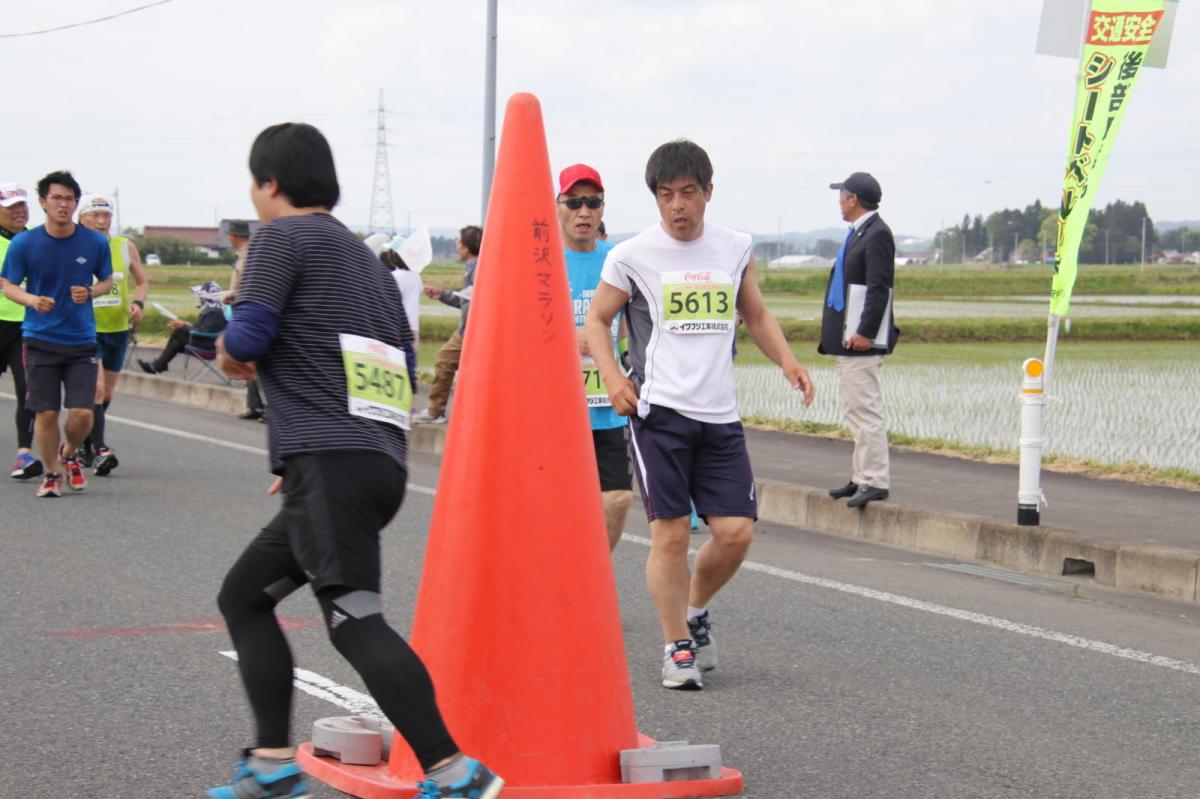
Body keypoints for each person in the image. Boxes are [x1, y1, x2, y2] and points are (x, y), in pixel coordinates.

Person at [208, 122, 502, 799]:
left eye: (254, 184)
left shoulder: (280, 237)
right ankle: (274, 763)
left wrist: (226, 353)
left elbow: (248, 337)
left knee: (353, 617)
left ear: (270, 183)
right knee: (243, 596)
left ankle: (455, 772)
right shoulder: (369, 260)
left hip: (330, 462)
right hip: (371, 459)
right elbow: (398, 360)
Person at [585, 140, 814, 690]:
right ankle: (676, 648)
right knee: (669, 535)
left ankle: (695, 609)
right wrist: (615, 380)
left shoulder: (735, 248)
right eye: (666, 196)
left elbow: (754, 312)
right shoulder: (632, 256)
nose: (677, 206)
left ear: (708, 192)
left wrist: (788, 361)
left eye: (688, 193)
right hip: (658, 412)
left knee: (736, 533)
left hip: (719, 416)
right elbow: (596, 321)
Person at [0, 171, 113, 497]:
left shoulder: (93, 242)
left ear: (76, 204)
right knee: (46, 413)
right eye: (56, 198)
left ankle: (68, 454)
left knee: (82, 412)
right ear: (43, 202)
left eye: (69, 199)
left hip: (80, 340)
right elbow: (7, 285)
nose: (63, 204)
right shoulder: (25, 242)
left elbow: (106, 280)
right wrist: (31, 299)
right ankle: (52, 474)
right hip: (39, 338)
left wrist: (91, 291)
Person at [557, 163, 632, 552]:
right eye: (574, 202)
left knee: (617, 498)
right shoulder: (541, 260)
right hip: (553, 407)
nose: (583, 211)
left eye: (592, 202)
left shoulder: (618, 259)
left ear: (602, 209)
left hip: (604, 401)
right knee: (556, 506)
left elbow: (639, 318)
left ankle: (591, 583)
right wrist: (568, 337)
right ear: (558, 206)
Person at [820, 172, 898, 509]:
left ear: (854, 199)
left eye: (842, 195)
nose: (839, 200)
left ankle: (874, 480)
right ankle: (860, 476)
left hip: (862, 340)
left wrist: (865, 332)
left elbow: (880, 287)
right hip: (848, 338)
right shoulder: (859, 233)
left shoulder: (877, 234)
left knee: (865, 410)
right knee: (855, 410)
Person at [77, 194, 149, 475]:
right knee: (94, 390)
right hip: (86, 328)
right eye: (95, 215)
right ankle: (99, 449)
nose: (101, 221)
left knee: (106, 393)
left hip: (117, 328)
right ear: (81, 219)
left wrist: (138, 303)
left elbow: (142, 282)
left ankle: (83, 441)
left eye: (106, 216)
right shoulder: (73, 247)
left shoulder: (124, 246)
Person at [412, 225, 481, 423]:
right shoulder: (473, 266)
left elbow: (476, 298)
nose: (456, 245)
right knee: (448, 362)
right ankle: (438, 411)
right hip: (465, 330)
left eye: (458, 242)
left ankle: (437, 411)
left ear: (466, 247)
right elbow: (465, 300)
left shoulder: (477, 266)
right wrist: (442, 294)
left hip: (473, 331)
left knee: (448, 363)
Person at [0, 182, 39, 479]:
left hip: (26, 327)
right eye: (12, 207)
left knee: (28, 391)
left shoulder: (37, 241)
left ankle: (24, 455)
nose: (19, 212)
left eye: (22, 205)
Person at [224, 219, 265, 421]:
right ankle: (255, 405)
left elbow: (251, 284)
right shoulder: (243, 253)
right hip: (239, 307)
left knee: (255, 361)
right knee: (249, 360)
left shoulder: (249, 255)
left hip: (247, 309)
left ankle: (265, 407)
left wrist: (232, 295)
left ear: (234, 235)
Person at [138, 282, 227, 374]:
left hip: (209, 348)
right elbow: (203, 330)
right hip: (208, 344)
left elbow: (203, 333)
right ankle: (158, 365)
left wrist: (183, 326)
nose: (200, 298)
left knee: (178, 334)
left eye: (201, 296)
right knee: (177, 339)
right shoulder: (214, 310)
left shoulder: (214, 312)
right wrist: (186, 325)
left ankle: (159, 365)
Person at [383, 235, 423, 395]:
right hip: (413, 329)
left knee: (394, 367)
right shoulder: (416, 278)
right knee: (410, 370)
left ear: (393, 257)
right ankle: (411, 408)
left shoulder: (392, 278)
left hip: (397, 327)